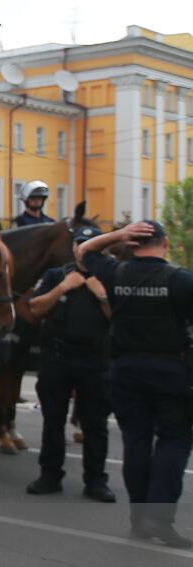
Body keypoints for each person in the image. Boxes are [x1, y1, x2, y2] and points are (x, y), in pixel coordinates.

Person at [76, 220, 193, 547]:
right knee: (174, 441)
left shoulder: (116, 273)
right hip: (170, 371)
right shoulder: (181, 281)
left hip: (125, 371)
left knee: (136, 443)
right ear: (165, 243)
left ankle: (140, 520)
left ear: (131, 244)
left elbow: (84, 251)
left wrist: (116, 235)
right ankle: (159, 519)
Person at [24, 223, 115, 501]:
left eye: (90, 245)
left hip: (95, 359)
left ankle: (96, 480)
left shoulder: (109, 278)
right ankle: (50, 475)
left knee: (95, 424)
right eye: (79, 244)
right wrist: (64, 287)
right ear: (74, 248)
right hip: (58, 357)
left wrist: (101, 296)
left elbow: (120, 321)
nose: (83, 250)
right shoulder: (56, 275)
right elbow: (34, 309)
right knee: (53, 420)